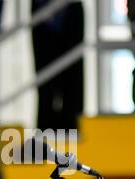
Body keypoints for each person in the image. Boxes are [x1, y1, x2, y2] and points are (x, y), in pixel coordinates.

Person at [31, 0, 84, 131]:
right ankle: (45, 135)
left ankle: (72, 130)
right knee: (46, 84)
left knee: (73, 81)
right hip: (42, 10)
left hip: (70, 8)